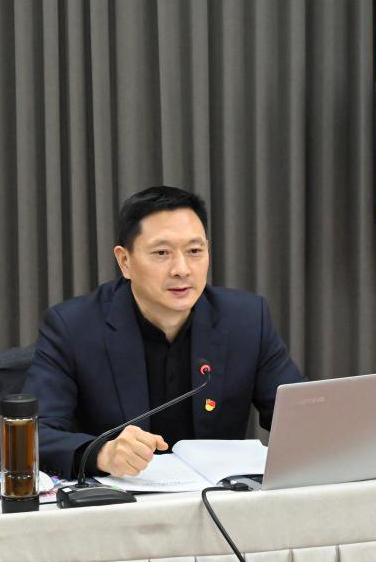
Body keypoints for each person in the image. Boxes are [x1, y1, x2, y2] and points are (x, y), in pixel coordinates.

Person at [23, 186, 304, 479]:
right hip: (119, 499)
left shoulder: (246, 320)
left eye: (194, 251)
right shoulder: (74, 327)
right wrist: (102, 453)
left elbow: (299, 417)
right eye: (161, 253)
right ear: (125, 262)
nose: (182, 269)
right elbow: (31, 434)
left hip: (218, 500)